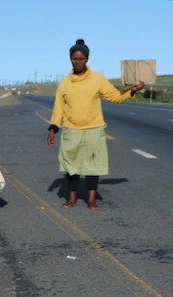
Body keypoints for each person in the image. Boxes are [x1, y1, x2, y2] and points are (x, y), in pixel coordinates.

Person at [47, 39, 145, 211]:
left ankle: (91, 201)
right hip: (72, 130)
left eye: (81, 59)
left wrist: (133, 90)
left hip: (93, 129)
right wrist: (53, 128)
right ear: (70, 59)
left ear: (87, 60)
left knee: (93, 166)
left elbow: (115, 96)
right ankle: (72, 199)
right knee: (71, 167)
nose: (77, 62)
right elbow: (58, 107)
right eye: (74, 59)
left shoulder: (97, 79)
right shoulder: (64, 82)